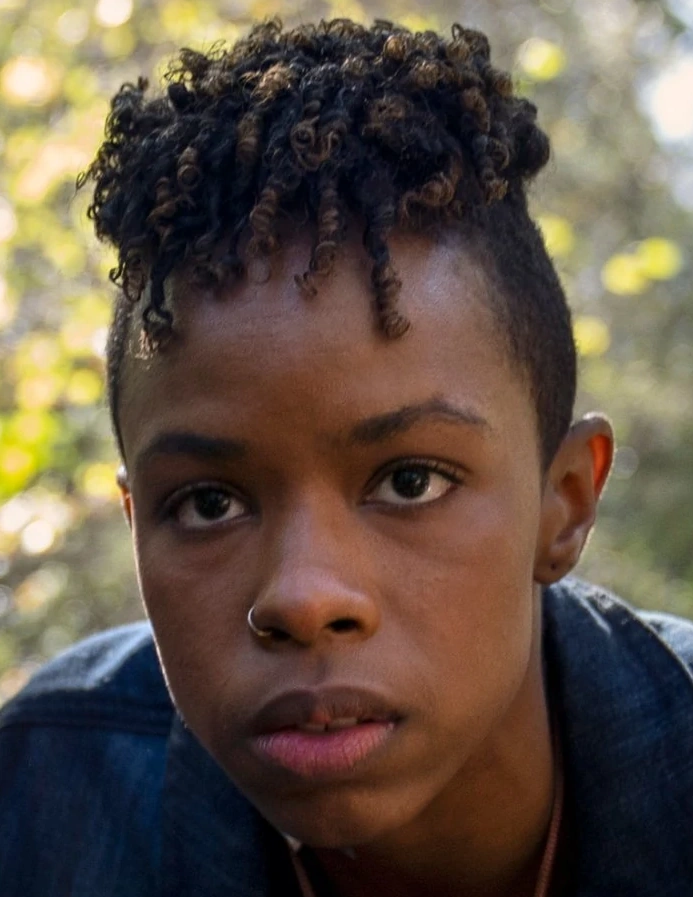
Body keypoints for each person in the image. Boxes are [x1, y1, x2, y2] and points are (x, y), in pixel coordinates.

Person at [1, 17, 692, 897]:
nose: (304, 598)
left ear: (564, 502)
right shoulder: (43, 798)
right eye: (208, 502)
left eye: (410, 481)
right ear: (137, 525)